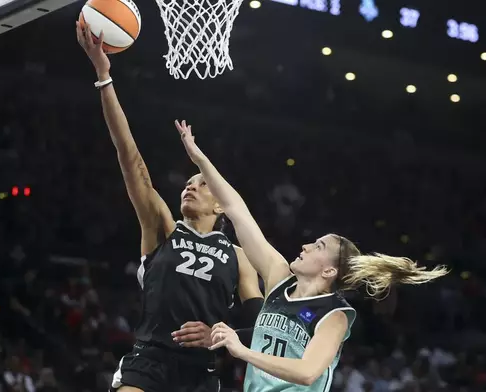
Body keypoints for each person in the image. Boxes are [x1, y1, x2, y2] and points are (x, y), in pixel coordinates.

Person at [173, 120, 450, 391]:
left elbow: (307, 373)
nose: (305, 246)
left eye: (318, 247)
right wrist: (200, 160)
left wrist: (241, 350)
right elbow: (235, 210)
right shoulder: (278, 276)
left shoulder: (335, 315)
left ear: (329, 271)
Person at [75, 24, 264, 392]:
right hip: (150, 361)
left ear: (221, 206)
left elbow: (260, 323)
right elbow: (130, 159)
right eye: (188, 183)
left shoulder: (239, 257)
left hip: (201, 373)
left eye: (202, 184)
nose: (190, 187)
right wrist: (103, 77)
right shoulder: (164, 227)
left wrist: (220, 334)